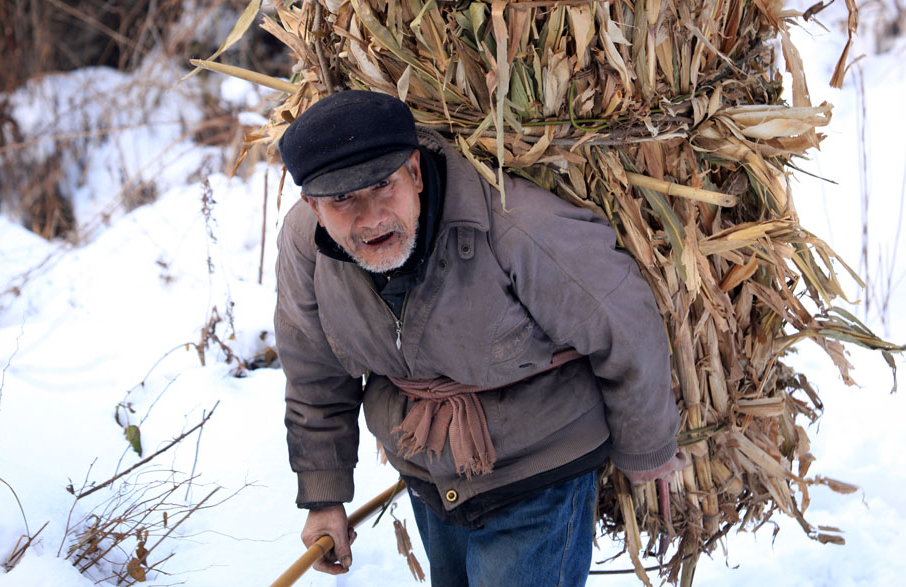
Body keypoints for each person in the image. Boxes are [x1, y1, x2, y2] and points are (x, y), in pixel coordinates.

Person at [274, 89, 683, 586]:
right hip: (427, 472)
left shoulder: (515, 228)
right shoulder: (306, 250)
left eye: (384, 184)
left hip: (538, 471)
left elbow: (624, 320)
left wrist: (646, 449)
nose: (371, 216)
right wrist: (324, 495)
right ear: (312, 205)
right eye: (342, 199)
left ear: (415, 173)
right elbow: (313, 370)